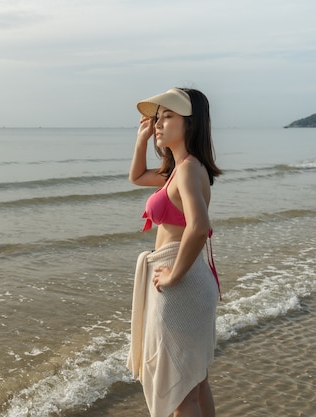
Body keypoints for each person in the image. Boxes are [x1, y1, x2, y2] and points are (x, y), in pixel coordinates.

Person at [126, 87, 222, 417]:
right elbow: (137, 176)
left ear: (190, 124)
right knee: (195, 383)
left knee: (181, 393)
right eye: (157, 118)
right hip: (190, 281)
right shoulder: (179, 169)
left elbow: (198, 226)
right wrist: (142, 140)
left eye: (168, 117)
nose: (158, 124)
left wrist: (174, 274)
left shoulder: (188, 169)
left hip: (182, 283)